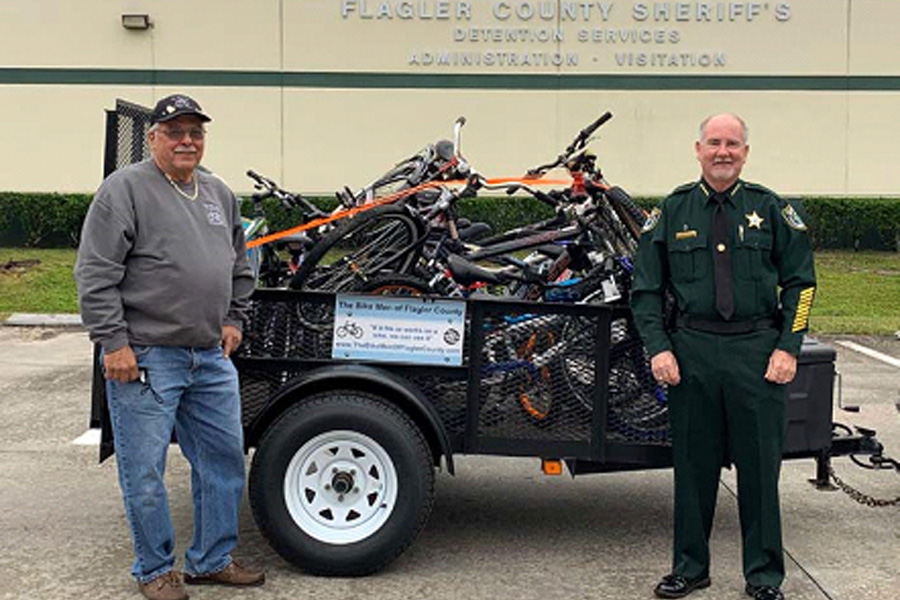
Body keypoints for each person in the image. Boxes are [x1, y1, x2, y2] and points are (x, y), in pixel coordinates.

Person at [75, 94, 263, 600]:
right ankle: (154, 570)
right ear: (153, 137)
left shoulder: (218, 194)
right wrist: (112, 343)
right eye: (175, 131)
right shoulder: (124, 191)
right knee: (146, 471)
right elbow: (95, 273)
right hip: (147, 356)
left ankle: (210, 560)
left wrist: (233, 320)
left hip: (209, 356)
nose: (187, 140)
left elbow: (239, 268)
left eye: (195, 132)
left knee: (222, 461)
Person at [630, 113, 816, 600]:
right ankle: (690, 569)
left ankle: (764, 577)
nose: (723, 151)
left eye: (732, 143)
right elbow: (645, 291)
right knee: (693, 469)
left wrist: (788, 346)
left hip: (758, 353)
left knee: (759, 471)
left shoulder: (770, 209)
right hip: (692, 355)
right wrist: (659, 349)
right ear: (698, 149)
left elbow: (803, 285)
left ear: (745, 153)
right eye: (714, 142)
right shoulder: (672, 211)